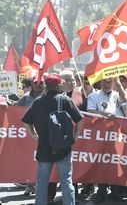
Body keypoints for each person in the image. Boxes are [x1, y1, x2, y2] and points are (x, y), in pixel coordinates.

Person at [21, 73, 84, 205]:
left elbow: (26, 121)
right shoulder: (65, 100)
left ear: (45, 86)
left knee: (42, 183)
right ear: (59, 85)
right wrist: (75, 137)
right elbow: (80, 119)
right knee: (66, 182)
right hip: (63, 148)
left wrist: (33, 135)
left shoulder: (37, 101)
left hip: (43, 148)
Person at [87, 77, 127, 203]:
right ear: (100, 82)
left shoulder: (117, 95)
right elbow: (90, 111)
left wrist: (119, 85)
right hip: (101, 134)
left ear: (113, 82)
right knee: (102, 161)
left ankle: (115, 190)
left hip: (117, 134)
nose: (106, 84)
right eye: (104, 81)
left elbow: (125, 101)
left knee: (116, 161)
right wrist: (105, 115)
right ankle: (102, 190)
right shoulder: (94, 95)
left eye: (109, 81)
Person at [16, 77, 45, 196]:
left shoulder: (48, 96)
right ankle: (30, 185)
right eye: (36, 83)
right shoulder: (25, 98)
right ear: (32, 84)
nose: (38, 85)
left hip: (43, 134)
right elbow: (15, 112)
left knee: (42, 161)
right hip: (28, 134)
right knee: (30, 160)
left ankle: (42, 186)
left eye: (41, 83)